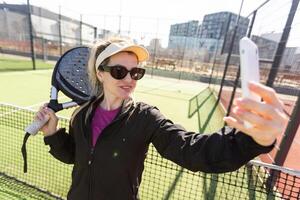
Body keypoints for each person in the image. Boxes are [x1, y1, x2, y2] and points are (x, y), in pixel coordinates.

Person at [36, 38, 289, 200]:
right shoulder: (82, 115)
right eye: (119, 71)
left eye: (136, 72)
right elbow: (75, 157)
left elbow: (193, 150)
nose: (129, 79)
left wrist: (253, 139)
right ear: (100, 74)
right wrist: (53, 135)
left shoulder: (145, 118)